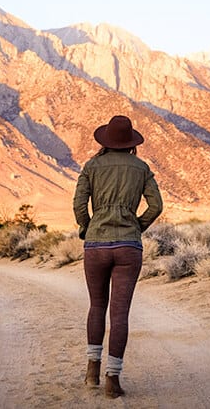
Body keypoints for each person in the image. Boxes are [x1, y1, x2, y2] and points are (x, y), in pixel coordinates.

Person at [73, 115, 163, 398]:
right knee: (120, 314)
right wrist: (137, 225)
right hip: (128, 247)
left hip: (96, 246)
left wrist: (88, 226)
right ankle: (112, 380)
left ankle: (91, 371)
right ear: (131, 143)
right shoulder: (141, 168)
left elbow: (78, 204)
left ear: (106, 140)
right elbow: (156, 205)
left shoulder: (92, 166)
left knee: (96, 306)